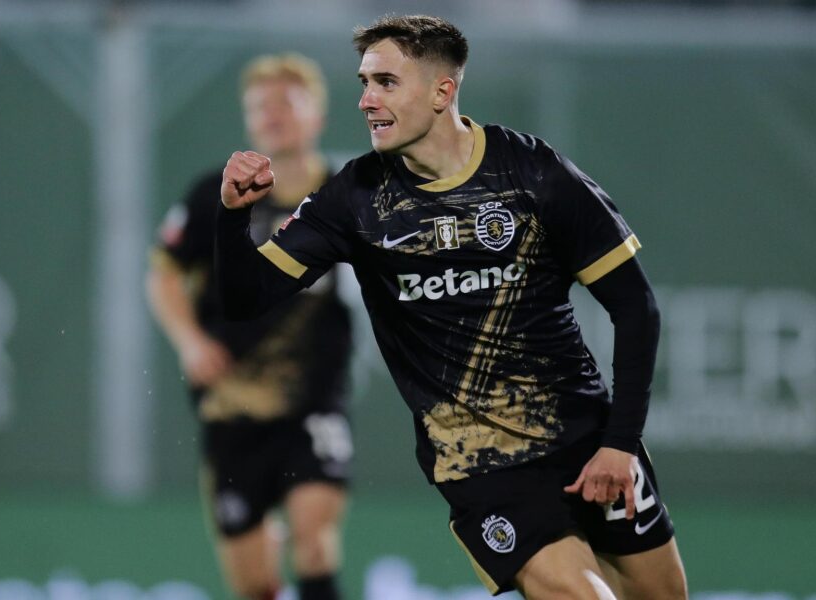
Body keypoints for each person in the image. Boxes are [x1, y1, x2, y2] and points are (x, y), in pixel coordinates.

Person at [214, 14, 690, 600]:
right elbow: (244, 299)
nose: (366, 100)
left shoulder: (532, 173)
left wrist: (620, 442)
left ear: (443, 92)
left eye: (386, 82)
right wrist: (234, 218)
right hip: (482, 468)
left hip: (589, 442)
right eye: (364, 82)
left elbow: (636, 307)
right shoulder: (355, 199)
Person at [147, 53, 353, 600]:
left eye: (287, 102)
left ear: (318, 117)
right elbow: (163, 275)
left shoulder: (343, 197)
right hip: (232, 404)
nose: (272, 115)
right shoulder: (214, 194)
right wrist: (190, 342)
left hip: (314, 400)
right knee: (254, 584)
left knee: (313, 541)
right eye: (260, 105)